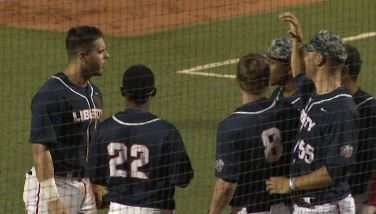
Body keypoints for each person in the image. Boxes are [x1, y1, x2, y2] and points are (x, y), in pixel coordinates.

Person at [266, 12, 359, 214]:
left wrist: (290, 184)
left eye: (308, 53)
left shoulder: (341, 109)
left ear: (319, 59)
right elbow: (298, 72)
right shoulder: (313, 91)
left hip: (327, 206)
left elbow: (334, 171)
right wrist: (296, 40)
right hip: (308, 203)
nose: (304, 57)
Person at [23, 26, 110, 214]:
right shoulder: (51, 95)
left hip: (84, 187)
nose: (107, 56)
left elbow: (90, 143)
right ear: (83, 57)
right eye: (101, 51)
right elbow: (40, 150)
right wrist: (53, 199)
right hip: (55, 185)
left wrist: (94, 182)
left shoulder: (94, 93)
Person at [86, 64, 194, 214]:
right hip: (157, 209)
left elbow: (94, 176)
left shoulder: (104, 129)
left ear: (123, 92)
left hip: (118, 209)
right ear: (153, 92)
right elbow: (183, 179)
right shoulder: (166, 132)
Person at [208, 53, 297, 214]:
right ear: (267, 80)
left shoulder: (231, 126)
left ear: (238, 82)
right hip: (287, 207)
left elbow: (227, 185)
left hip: (250, 209)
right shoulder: (288, 112)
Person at [342, 44, 376, 214]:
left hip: (358, 195)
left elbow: (370, 157)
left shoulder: (369, 107)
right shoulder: (333, 103)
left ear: (345, 71)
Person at [266, 37, 314, 111]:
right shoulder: (277, 94)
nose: (267, 67)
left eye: (271, 63)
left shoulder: (308, 97)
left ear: (289, 67)